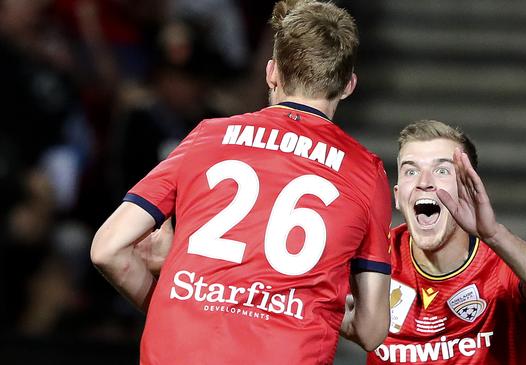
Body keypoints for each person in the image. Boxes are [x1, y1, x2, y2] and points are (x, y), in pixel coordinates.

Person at [90, 1, 392, 364]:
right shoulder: (366, 172)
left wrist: (180, 305)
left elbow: (107, 249)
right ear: (348, 86)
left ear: (271, 73)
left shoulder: (209, 136)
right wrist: (315, 300)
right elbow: (373, 329)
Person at [367, 120, 526, 364]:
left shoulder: (501, 261)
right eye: (411, 171)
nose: (423, 181)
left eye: (442, 170)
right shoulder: (375, 256)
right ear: (397, 195)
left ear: (468, 189)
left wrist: (494, 235)